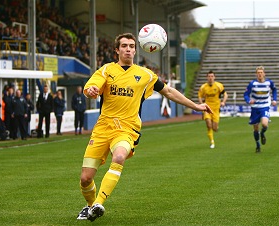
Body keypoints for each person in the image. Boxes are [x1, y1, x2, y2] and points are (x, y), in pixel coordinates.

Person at [76, 33, 212, 222]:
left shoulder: (146, 75)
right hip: (102, 129)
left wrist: (196, 106)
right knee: (85, 179)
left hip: (126, 129)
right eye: (124, 46)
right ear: (117, 50)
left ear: (136, 49)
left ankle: (99, 203)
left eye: (132, 46)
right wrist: (91, 91)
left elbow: (169, 92)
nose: (129, 49)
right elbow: (92, 88)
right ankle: (90, 206)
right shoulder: (106, 70)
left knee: (120, 156)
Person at [243, 66, 277, 153]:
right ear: (256, 74)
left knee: (265, 124)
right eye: (258, 73)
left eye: (261, 72)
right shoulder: (252, 84)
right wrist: (248, 100)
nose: (260, 74)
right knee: (255, 128)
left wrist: (274, 99)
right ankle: (258, 145)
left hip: (265, 106)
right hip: (255, 108)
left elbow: (274, 90)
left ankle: (262, 133)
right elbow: (246, 94)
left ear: (264, 74)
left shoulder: (269, 82)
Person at [198, 70, 228, 148]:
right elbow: (200, 96)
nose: (210, 78)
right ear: (207, 77)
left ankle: (215, 128)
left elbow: (225, 95)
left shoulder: (219, 86)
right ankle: (212, 142)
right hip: (207, 108)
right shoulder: (203, 87)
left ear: (214, 77)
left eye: (212, 76)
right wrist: (202, 105)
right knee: (208, 124)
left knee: (214, 128)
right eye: (209, 76)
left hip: (216, 109)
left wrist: (223, 102)